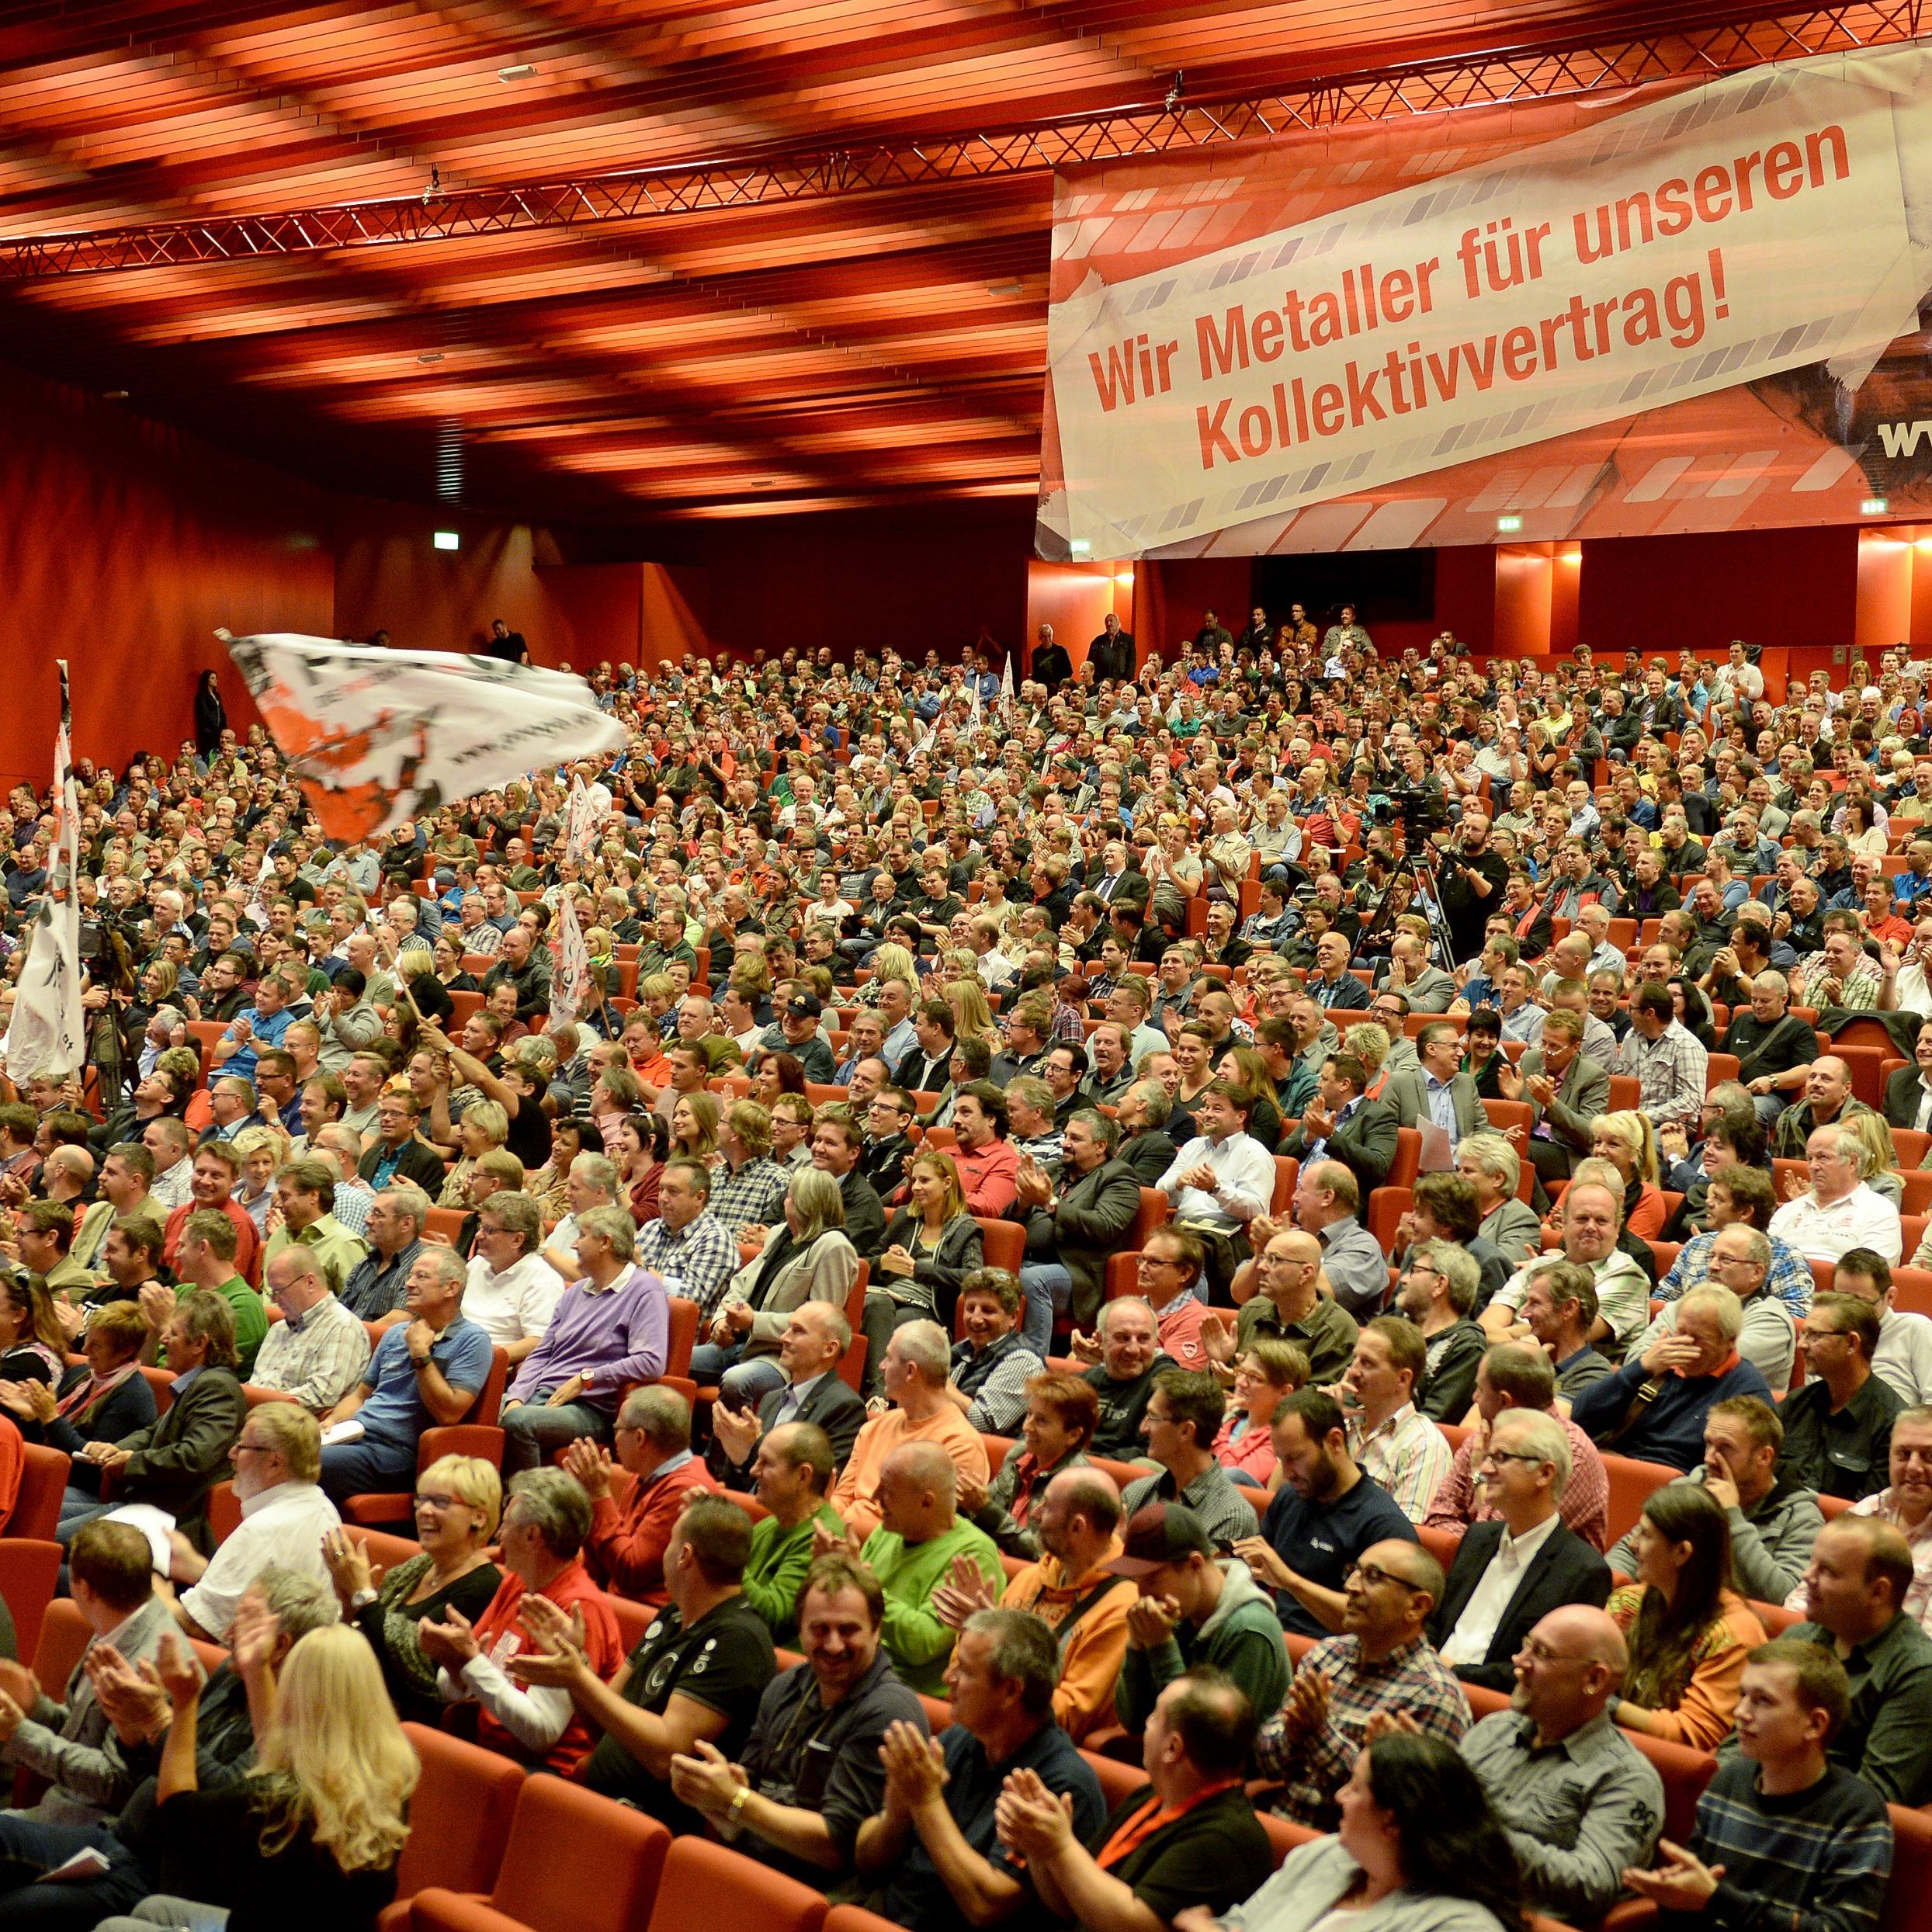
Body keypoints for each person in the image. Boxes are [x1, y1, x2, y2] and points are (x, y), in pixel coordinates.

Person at [91, 1620, 416, 1932]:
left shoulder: (279, 1798)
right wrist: (258, 1670)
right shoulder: (390, 1777)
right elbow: (276, 1749)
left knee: (112, 1927)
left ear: (295, 1701)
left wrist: (182, 1706)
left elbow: (177, 1812)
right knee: (155, 1909)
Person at [666, 1552, 931, 1885]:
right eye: (819, 1630)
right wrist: (715, 1797)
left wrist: (736, 1802)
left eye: (849, 1630)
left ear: (876, 1631)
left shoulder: (889, 1711)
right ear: (801, 1629)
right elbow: (746, 1795)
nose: (834, 1646)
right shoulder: (787, 1685)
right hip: (750, 1869)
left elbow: (836, 1848)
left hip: (818, 1895)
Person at [519, 1494, 777, 1830]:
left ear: (684, 1556)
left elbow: (666, 1757)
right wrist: (576, 1664)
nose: (665, 1552)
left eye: (671, 1541)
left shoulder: (738, 1640)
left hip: (651, 1822)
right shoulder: (673, 1616)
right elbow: (602, 1724)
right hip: (602, 1795)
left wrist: (579, 1678)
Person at [857, 1608, 1107, 1932]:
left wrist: (925, 1802)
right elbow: (866, 1861)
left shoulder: (1059, 1784)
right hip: (884, 1913)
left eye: (964, 1670)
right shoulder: (961, 1738)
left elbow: (985, 1906)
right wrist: (897, 1813)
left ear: (1010, 1691)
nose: (948, 1678)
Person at [1622, 1639, 1894, 1932]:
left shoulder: (1857, 1811)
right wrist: (1674, 1896)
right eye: (1742, 1695)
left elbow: (1840, 1929)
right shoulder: (1729, 1781)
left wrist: (1717, 1898)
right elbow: (1692, 1912)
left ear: (1814, 1725)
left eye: (1762, 1700)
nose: (1740, 1712)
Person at [995, 1668, 1277, 1932]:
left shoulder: (1225, 1839)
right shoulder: (1152, 1796)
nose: (1146, 1723)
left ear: (1172, 1748)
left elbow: (1131, 1924)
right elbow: (1074, 1905)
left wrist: (1060, 1848)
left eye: (1155, 1716)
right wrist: (1041, 1850)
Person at [1191, 1732, 1528, 1932]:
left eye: (1354, 1787)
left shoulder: (1461, 1926)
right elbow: (1238, 1925)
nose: (1340, 1796)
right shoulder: (1322, 1855)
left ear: (1392, 1822)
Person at [1459, 1604, 1667, 1927]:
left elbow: (1592, 1883)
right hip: (1437, 1892)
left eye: (1541, 1653)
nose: (1519, 1661)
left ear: (1594, 1679)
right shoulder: (1495, 1729)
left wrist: (1481, 1834)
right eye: (1527, 1644)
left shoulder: (1626, 1779)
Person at [419, 1466, 627, 1774]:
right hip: (492, 1752)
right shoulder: (516, 1583)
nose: (500, 1537)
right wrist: (455, 1665)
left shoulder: (577, 1609)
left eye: (505, 1525)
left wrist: (472, 1665)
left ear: (532, 1536)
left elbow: (542, 1732)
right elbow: (454, 1687)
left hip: (543, 1775)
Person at [1253, 1537, 1470, 1831]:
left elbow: (1395, 1815)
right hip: (1282, 1826)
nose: (1351, 1586)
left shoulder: (1434, 1697)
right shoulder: (1327, 1655)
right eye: (1355, 1571)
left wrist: (1317, 1734)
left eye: (1373, 1576)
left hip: (1350, 1859)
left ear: (1417, 1606)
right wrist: (1292, 1736)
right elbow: (1266, 1762)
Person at [938, 1466, 1136, 1743]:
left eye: (1048, 1506)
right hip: (987, 1734)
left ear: (1077, 1527)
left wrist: (995, 1647)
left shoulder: (1121, 1607)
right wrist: (974, 1637)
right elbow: (960, 1678)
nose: (1035, 1513)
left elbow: (1069, 1716)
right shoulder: (1031, 1577)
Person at [0, 1519, 178, 1824]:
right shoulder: (118, 1624)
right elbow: (82, 1736)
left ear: (84, 1589)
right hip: (60, 1809)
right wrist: (36, 1708)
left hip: (95, 1829)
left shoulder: (151, 1666)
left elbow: (113, 1783)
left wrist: (19, 1733)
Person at [1433, 1408, 1612, 1691]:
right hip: (1428, 1683)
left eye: (1501, 1458)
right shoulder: (1477, 1538)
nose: (1485, 1469)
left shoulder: (1583, 1571)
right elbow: (1436, 1623)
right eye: (1489, 1457)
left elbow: (1544, 1674)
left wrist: (1453, 1672)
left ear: (1544, 1473)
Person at [320, 1452, 503, 1722]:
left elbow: (420, 1665)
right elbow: (371, 1630)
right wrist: (348, 1601)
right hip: (367, 1692)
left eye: (440, 1502)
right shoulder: (417, 1567)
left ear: (479, 1516)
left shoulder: (484, 1585)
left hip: (406, 1716)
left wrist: (364, 1596)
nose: (424, 1510)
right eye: (422, 1499)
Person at [1769, 1514, 1932, 1804]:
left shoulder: (1918, 1672)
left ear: (1878, 1592)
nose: (1807, 1576)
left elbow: (1874, 1797)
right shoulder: (1798, 1638)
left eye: (1828, 1571)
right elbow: (1737, 1745)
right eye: (1812, 1563)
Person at [497, 1202, 670, 1474]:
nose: (574, 1245)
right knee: (477, 1409)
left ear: (605, 1242)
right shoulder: (576, 1292)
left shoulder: (644, 1290)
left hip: (588, 1407)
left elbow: (651, 1361)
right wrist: (517, 1395)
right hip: (543, 1395)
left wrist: (586, 1378)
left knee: (519, 1421)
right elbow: (542, 1353)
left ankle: (534, 1506)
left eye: (582, 1236)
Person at [62, 1291, 246, 1546]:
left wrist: (132, 1462)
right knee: (47, 1519)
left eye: (173, 1333)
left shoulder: (217, 1387)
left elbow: (193, 1457)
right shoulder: (198, 1383)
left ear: (199, 1344)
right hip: (140, 1505)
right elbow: (153, 1432)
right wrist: (117, 1449)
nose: (163, 1339)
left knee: (49, 1537)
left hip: (166, 1521)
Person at [1609, 1396, 1826, 1609]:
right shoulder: (1690, 1489)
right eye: (1709, 1444)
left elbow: (1784, 1598)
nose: (1709, 1458)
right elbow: (1631, 1549)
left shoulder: (1801, 1517)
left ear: (1764, 1457)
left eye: (1725, 1448)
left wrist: (1732, 1517)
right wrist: (1613, 1584)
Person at [316, 1245, 494, 1504]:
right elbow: (361, 1395)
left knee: (305, 1463)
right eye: (410, 1275)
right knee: (281, 1447)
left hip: (397, 1453)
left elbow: (450, 1413)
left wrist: (420, 1354)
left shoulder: (473, 1340)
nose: (408, 1284)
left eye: (421, 1277)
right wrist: (332, 1423)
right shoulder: (395, 1333)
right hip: (355, 1435)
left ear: (451, 1288)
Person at [1237, 1387, 1417, 1639]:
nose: (1287, 1473)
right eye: (1281, 1460)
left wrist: (1289, 1581)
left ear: (1334, 1442)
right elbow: (1254, 1573)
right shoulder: (1291, 1496)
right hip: (1275, 1639)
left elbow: (1376, 1624)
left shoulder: (1384, 1526)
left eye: (1295, 1458)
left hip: (1333, 1660)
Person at [1607, 1485, 1769, 1750]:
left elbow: (1696, 1734)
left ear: (1681, 1553)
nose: (1633, 1544)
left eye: (1646, 1535)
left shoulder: (1734, 1635)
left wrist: (1609, 1706)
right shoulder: (1628, 1604)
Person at [839, 1441, 1004, 1696]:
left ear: (927, 1502)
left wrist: (860, 1582)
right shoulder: (889, 1529)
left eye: (888, 1491)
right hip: (855, 1669)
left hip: (903, 1694)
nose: (874, 1497)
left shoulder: (973, 1555)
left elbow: (921, 1644)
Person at [168, 1402, 339, 1643]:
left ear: (275, 1464)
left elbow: (198, 1627)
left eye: (242, 1446)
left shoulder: (263, 1530)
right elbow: (270, 1594)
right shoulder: (323, 1506)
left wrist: (153, 1591)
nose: (232, 1454)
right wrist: (199, 1570)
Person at [699, 1167, 859, 1410]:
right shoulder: (779, 1233)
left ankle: (735, 1448)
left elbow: (820, 1326)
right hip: (738, 1343)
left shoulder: (833, 1247)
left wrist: (754, 1321)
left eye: (790, 1197)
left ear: (805, 1205)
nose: (785, 1202)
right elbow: (740, 1283)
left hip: (780, 1357)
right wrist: (722, 1320)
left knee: (737, 1381)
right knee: (670, 1362)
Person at [1571, 1285, 1774, 1472]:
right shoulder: (1655, 1368)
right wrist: (1641, 1369)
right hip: (1617, 1469)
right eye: (1681, 1332)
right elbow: (1580, 1417)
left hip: (1680, 1493)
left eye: (1698, 1338)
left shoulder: (1748, 1389)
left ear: (1729, 1341)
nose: (1684, 1343)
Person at [830, 1321, 992, 1541]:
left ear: (910, 1371)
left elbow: (933, 1535)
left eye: (888, 1358)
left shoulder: (959, 1445)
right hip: (842, 1544)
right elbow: (842, 1500)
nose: (881, 1366)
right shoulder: (874, 1428)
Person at [1014, 1107, 1143, 1347]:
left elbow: (1104, 1226)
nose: (1065, 1144)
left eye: (1076, 1138)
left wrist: (1049, 1203)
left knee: (1032, 1279)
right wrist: (1022, 1202)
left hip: (1076, 1271)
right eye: (1065, 1136)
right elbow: (1008, 1221)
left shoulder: (1118, 1176)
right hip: (1026, 1259)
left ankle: (1031, 1362)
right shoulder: (1053, 1170)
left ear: (1100, 1146)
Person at [710, 1299, 868, 1490]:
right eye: (788, 1328)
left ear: (829, 1349)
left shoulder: (845, 1407)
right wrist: (737, 1458)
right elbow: (739, 1486)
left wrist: (754, 1447)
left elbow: (816, 1489)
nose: (784, 1337)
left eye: (798, 1331)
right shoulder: (771, 1399)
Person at [865, 1150, 984, 1384]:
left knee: (878, 1311)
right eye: (914, 1180)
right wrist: (883, 1263)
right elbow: (864, 1261)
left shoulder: (965, 1229)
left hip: (927, 1308)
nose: (916, 1187)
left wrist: (917, 1269)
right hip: (886, 1296)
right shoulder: (904, 1219)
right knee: (869, 1306)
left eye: (925, 1180)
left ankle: (879, 1391)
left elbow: (974, 1277)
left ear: (947, 1183)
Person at [1778, 1292, 1905, 1503]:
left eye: (1815, 1335)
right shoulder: (1796, 1404)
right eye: (1803, 1334)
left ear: (1852, 1343)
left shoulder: (1891, 1422)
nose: (1802, 1345)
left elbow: (1870, 1512)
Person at [1203, 1227, 1358, 1389]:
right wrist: (1222, 1363)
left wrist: (1247, 1382)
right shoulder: (1254, 1310)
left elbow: (1318, 1404)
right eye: (1263, 1258)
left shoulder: (1338, 1330)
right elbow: (1224, 1386)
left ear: (1305, 1273)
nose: (1261, 1267)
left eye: (1274, 1260)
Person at [968, 1370, 1100, 1558]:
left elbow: (1042, 1553)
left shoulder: (1077, 1484)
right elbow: (983, 1510)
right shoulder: (1020, 1454)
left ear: (1073, 1435)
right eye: (1029, 1415)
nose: (1027, 1427)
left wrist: (986, 1512)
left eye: (1041, 1421)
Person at [1120, 1369, 1259, 1546]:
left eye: (1153, 1417)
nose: (1143, 1428)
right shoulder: (1136, 1492)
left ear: (1186, 1431)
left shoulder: (1232, 1517)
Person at [1337, 1317, 1452, 1524]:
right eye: (1354, 1359)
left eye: (1367, 1363)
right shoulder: (1339, 1425)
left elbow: (1403, 1535)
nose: (1352, 1372)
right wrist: (1316, 1424)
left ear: (1403, 1379)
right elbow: (1284, 1494)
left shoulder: (1424, 1446)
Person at [737, 1422, 845, 1643]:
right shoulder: (770, 1525)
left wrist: (723, 1553)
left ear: (803, 1476)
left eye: (766, 1463)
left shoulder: (824, 1539)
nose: (754, 1470)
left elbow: (772, 1621)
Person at [252, 1244, 372, 1416]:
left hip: (295, 1427)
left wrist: (260, 1403)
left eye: (279, 1290)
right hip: (259, 1417)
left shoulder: (342, 1328)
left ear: (309, 1282)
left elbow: (322, 1396)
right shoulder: (279, 1328)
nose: (274, 1299)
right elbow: (258, 1382)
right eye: (272, 1292)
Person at [1767, 1122, 1903, 1265]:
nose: (1813, 1166)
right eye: (1809, 1158)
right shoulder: (1790, 1209)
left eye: (1823, 1157)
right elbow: (1763, 1260)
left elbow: (1872, 1274)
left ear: (1852, 1162)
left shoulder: (1879, 1210)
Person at [1395, 1240, 1486, 1424]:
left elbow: (1432, 1419)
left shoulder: (1466, 1345)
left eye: (1415, 1271)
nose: (1403, 1279)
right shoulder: (1396, 1330)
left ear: (1440, 1284)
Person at [944, 1268, 1045, 1435]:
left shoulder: (1024, 1360)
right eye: (970, 1309)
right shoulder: (964, 1348)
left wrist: (938, 1381)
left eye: (987, 1311)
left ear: (1013, 1317)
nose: (975, 1319)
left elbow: (982, 1425)